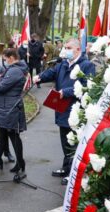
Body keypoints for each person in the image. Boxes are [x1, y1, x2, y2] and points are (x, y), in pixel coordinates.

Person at [34, 38, 95, 184]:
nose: (65, 50)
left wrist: (65, 92)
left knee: (74, 142)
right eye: (65, 47)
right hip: (62, 109)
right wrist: (39, 77)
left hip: (76, 110)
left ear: (78, 50)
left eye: (68, 48)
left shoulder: (87, 65)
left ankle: (73, 173)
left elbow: (87, 85)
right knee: (64, 139)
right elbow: (51, 73)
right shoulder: (62, 65)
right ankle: (66, 167)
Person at [0, 48, 27, 174]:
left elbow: (1, 87)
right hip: (5, 107)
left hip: (10, 108)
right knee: (2, 134)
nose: (4, 62)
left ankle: (20, 162)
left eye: (5, 59)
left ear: (11, 58)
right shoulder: (14, 69)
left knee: (13, 135)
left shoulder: (15, 70)